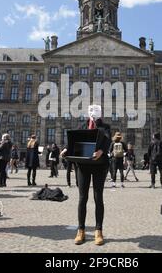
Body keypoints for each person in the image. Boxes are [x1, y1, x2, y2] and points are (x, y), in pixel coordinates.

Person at [61, 104, 111, 246]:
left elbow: (107, 140)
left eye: (95, 112)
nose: (93, 114)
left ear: (100, 113)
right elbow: (75, 139)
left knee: (98, 197)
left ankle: (98, 230)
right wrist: (66, 149)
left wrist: (101, 151)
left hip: (99, 165)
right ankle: (81, 230)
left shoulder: (105, 127)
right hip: (83, 165)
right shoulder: (82, 124)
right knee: (82, 198)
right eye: (91, 111)